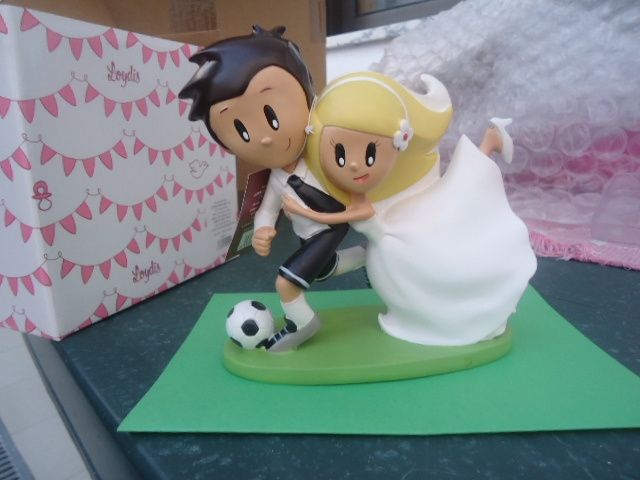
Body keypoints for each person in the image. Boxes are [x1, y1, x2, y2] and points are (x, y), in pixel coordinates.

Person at [283, 72, 537, 346]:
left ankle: (489, 142)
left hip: (399, 246)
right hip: (394, 248)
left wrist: (305, 212)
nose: (355, 165)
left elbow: (344, 217)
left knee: (447, 265)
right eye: (341, 156)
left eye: (370, 155)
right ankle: (489, 142)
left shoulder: (366, 203)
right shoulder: (362, 193)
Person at [178, 26, 364, 351]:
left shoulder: (323, 156)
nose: (264, 138)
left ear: (310, 99)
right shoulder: (275, 177)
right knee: (323, 270)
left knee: (287, 283)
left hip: (330, 229)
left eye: (272, 117)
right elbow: (266, 209)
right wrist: (262, 229)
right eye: (242, 132)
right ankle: (367, 257)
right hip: (308, 235)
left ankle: (303, 324)